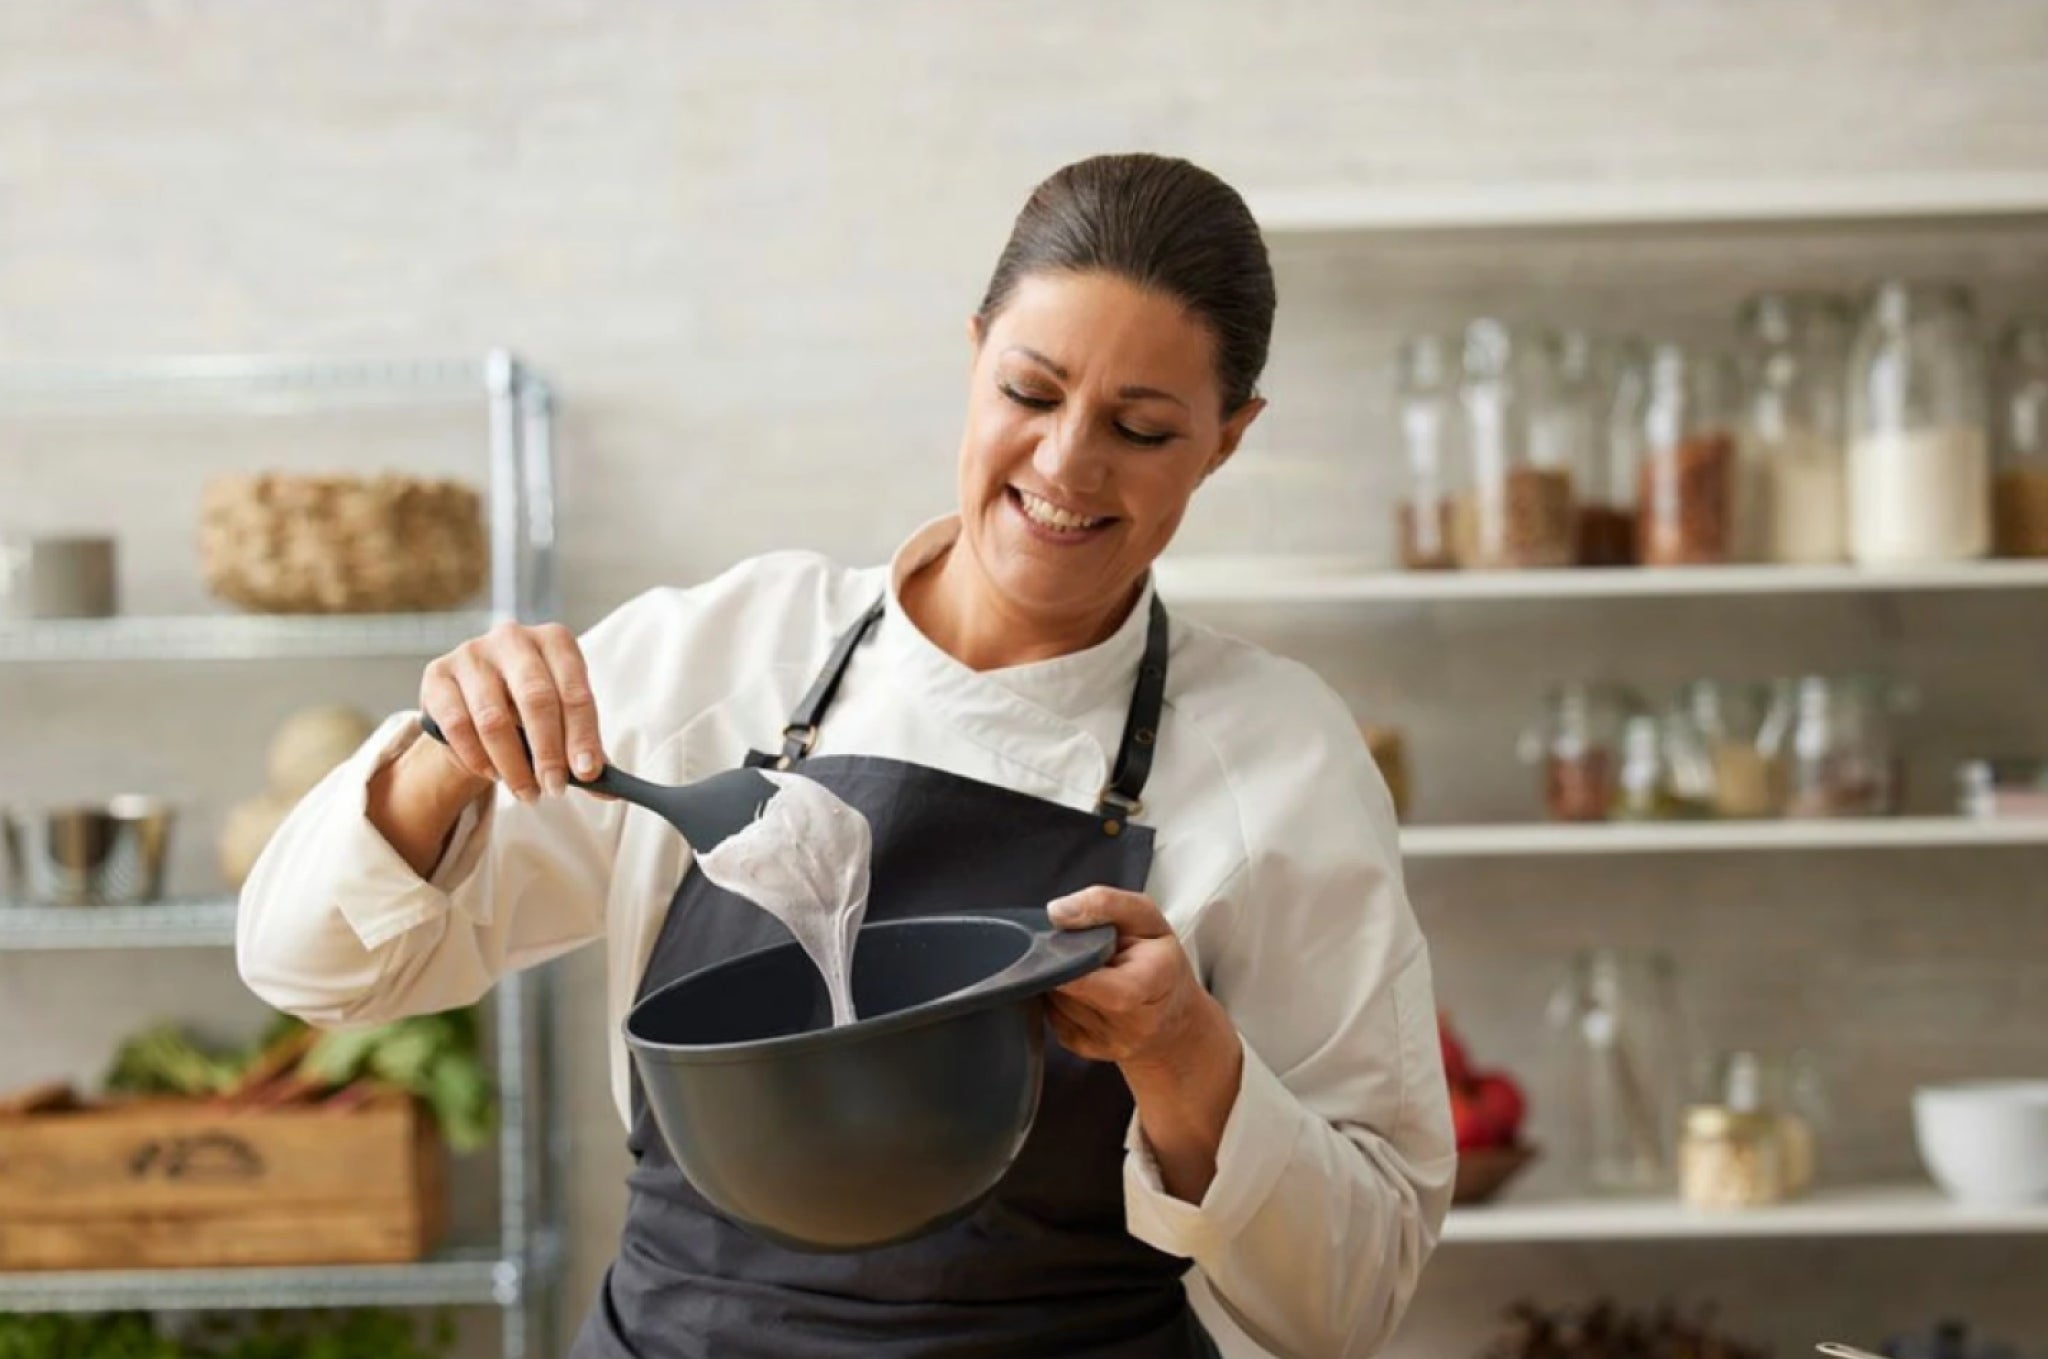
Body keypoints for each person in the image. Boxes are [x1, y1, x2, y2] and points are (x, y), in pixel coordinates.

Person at [238, 152, 1452, 1359]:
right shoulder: (713, 658)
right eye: (1028, 393)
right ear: (972, 355)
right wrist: (443, 755)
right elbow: (314, 971)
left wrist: (1180, 1048)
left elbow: (1347, 1300)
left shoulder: (1278, 763)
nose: (1066, 467)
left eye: (1140, 428)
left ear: (1227, 440)